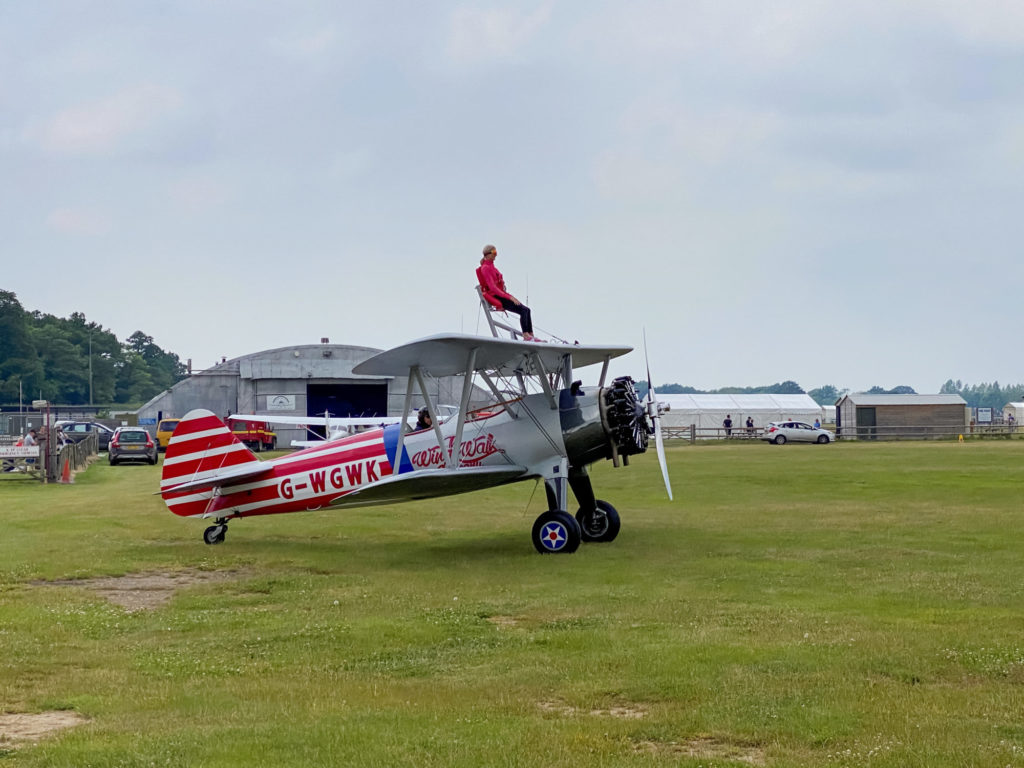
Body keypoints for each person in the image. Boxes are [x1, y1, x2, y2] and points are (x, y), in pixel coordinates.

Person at [476, 244, 537, 341]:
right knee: (523, 311)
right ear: (487, 254)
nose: (496, 255)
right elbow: (492, 288)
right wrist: (509, 297)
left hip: (502, 294)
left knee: (527, 310)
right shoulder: (485, 268)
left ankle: (531, 335)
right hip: (497, 296)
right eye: (494, 252)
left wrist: (506, 291)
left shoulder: (492, 267)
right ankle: (526, 336)